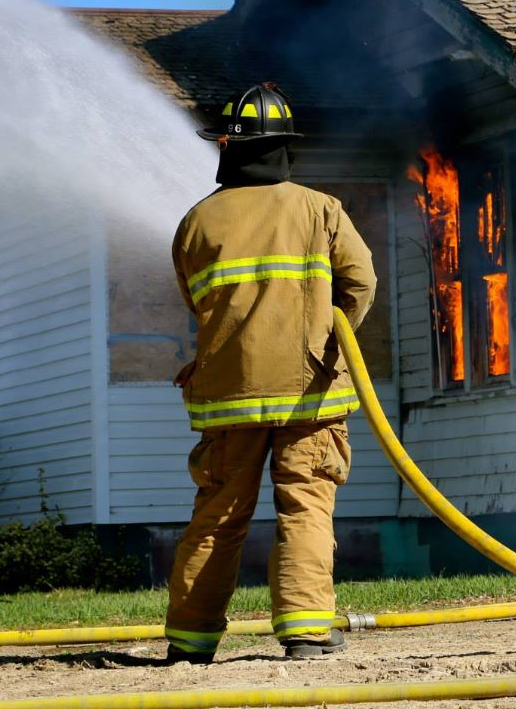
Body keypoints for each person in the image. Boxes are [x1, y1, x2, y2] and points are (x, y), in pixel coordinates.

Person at [163, 82, 376, 664]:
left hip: (227, 395)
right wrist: (331, 336)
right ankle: (306, 633)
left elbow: (198, 303)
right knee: (305, 505)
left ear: (228, 145)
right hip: (309, 392)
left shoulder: (196, 223)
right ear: (285, 145)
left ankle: (190, 639)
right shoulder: (320, 209)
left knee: (217, 517)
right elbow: (361, 284)